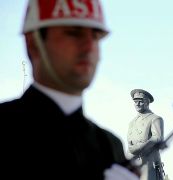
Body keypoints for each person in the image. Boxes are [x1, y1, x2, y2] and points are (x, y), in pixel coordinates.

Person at [0, 0, 140, 180]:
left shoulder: (110, 145)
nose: (89, 47)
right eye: (74, 33)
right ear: (33, 43)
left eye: (96, 36)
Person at [127, 89, 164, 180]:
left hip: (148, 163)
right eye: (135, 101)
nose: (137, 104)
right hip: (132, 163)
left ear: (147, 102)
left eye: (140, 101)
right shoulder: (132, 122)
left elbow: (157, 139)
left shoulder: (155, 119)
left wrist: (139, 147)